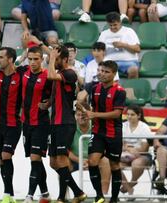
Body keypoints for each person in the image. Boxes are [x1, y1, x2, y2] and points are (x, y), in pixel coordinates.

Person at [47, 46, 87, 203]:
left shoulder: (69, 73)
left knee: (62, 160)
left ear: (64, 59)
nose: (54, 62)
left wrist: (50, 57)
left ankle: (69, 195)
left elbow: (50, 76)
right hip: (55, 122)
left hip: (65, 122)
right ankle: (67, 195)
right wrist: (47, 104)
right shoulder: (60, 75)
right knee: (53, 162)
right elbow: (57, 93)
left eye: (57, 59)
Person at [84, 60, 126, 203]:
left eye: (106, 72)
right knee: (92, 161)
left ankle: (114, 198)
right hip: (97, 132)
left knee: (114, 165)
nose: (101, 74)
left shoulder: (120, 91)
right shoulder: (93, 87)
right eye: (100, 70)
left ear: (114, 74)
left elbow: (116, 114)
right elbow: (84, 101)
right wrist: (82, 103)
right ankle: (99, 195)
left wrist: (95, 115)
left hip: (114, 133)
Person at [0, 47, 23, 203]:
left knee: (6, 155)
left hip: (14, 123)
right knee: (2, 159)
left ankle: (7, 194)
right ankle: (10, 195)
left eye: (1, 57)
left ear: (10, 60)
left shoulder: (20, 74)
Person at [21, 46, 52, 203]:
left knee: (35, 158)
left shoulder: (47, 76)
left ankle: (29, 195)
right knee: (36, 161)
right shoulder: (23, 72)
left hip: (41, 123)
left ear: (42, 59)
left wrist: (49, 103)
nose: (32, 62)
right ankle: (45, 193)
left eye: (36, 59)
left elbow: (57, 92)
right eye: (30, 59)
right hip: (26, 124)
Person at [120, 104, 152, 199]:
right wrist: (130, 149)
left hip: (143, 155)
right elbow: (120, 144)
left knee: (137, 164)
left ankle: (132, 182)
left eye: (132, 114)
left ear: (139, 115)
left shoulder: (144, 127)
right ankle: (129, 189)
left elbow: (144, 149)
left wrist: (127, 147)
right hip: (125, 155)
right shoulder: (122, 126)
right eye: (128, 114)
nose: (129, 117)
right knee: (114, 165)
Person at [98, 12, 141, 79]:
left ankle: (130, 89)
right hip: (109, 63)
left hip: (128, 61)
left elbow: (137, 49)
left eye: (115, 25)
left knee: (133, 70)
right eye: (110, 25)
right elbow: (99, 50)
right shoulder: (104, 33)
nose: (112, 27)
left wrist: (124, 45)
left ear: (120, 22)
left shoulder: (129, 31)